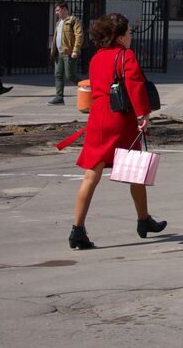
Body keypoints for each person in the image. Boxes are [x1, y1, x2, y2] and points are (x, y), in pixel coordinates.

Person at [56, 13, 166, 250]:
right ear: (119, 37)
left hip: (98, 117)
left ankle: (77, 229)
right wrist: (143, 115)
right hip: (121, 119)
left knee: (91, 175)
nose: (131, 36)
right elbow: (135, 87)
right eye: (129, 32)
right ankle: (143, 220)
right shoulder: (126, 55)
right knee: (135, 171)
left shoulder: (96, 57)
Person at [48, 2, 85, 106]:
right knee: (58, 75)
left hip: (69, 53)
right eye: (55, 11)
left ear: (64, 9)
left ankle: (87, 88)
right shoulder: (58, 22)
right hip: (58, 53)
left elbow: (79, 36)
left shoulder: (73, 20)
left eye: (58, 10)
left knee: (70, 75)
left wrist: (75, 50)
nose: (56, 13)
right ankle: (59, 97)